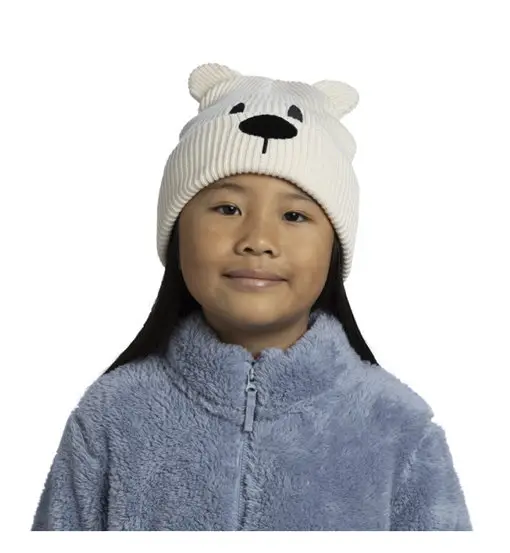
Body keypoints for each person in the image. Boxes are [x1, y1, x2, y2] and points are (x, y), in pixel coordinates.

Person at [31, 62, 472, 531]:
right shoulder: (110, 418)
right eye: (227, 208)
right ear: (178, 232)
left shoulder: (400, 431)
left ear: (334, 247)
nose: (258, 240)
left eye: (295, 216)